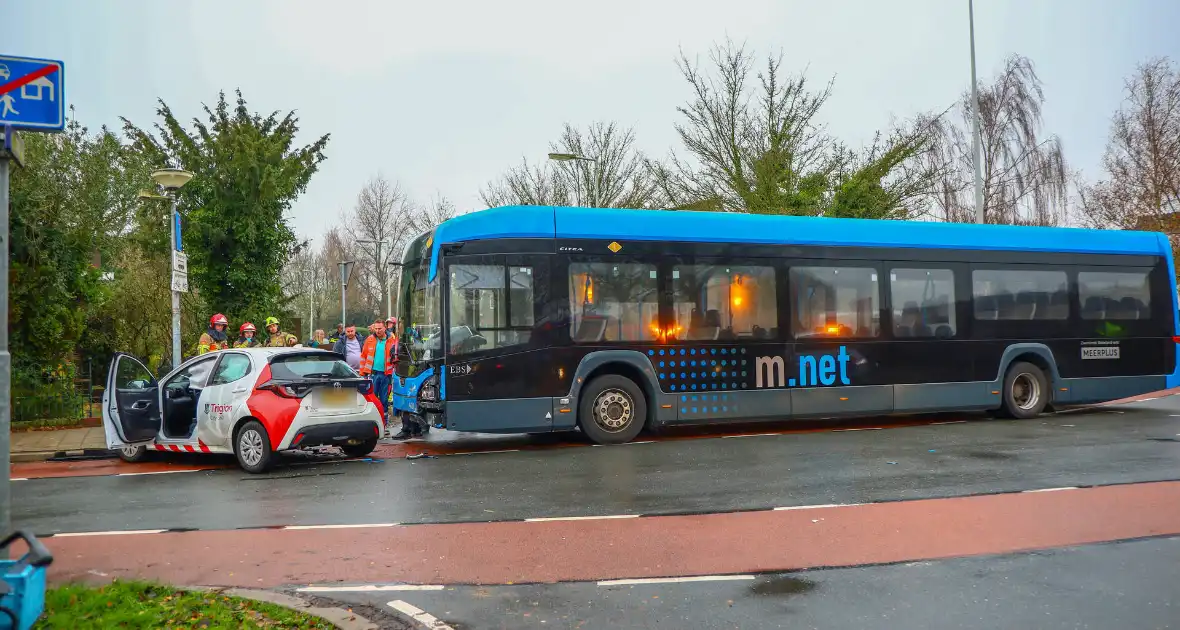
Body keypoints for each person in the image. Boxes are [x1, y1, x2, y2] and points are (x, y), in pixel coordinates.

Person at [359, 320, 396, 423]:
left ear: (385, 328)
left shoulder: (391, 340)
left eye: (380, 328)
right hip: (373, 375)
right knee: (372, 399)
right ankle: (373, 421)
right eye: (376, 329)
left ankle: (384, 422)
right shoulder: (370, 339)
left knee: (384, 400)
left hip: (386, 375)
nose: (378, 331)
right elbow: (363, 357)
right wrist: (363, 373)